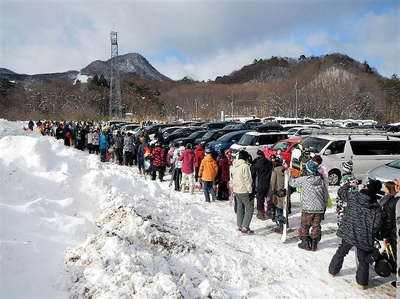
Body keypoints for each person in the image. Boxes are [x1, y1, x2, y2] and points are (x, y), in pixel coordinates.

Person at [328, 179, 383, 289]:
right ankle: (362, 283)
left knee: (341, 251)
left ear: (367, 187)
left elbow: (341, 191)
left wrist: (349, 184)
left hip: (349, 231)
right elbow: (377, 224)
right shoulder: (376, 206)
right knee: (363, 259)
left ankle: (333, 271)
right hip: (364, 236)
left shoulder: (354, 196)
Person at [290, 160, 329, 251]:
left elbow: (292, 183)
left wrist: (289, 173)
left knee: (305, 225)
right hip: (319, 208)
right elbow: (324, 194)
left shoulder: (304, 180)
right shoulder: (320, 180)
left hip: (308, 208)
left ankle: (306, 243)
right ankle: (314, 244)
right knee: (316, 226)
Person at [380, 181, 398, 288]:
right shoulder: (394, 199)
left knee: (397, 254)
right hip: (393, 231)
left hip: (393, 232)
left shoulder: (390, 202)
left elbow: (389, 221)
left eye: (385, 187)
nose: (383, 188)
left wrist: (385, 235)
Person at [231, 150, 254, 234]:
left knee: (240, 208)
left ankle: (239, 225)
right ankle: (245, 227)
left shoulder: (234, 165)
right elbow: (247, 179)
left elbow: (232, 177)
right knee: (249, 208)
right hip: (244, 190)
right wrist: (250, 190)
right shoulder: (245, 166)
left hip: (236, 189)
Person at [251, 150, 273, 220]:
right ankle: (270, 212)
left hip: (260, 184)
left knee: (260, 199)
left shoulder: (257, 164)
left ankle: (260, 214)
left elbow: (252, 173)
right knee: (269, 198)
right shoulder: (269, 163)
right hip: (269, 183)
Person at [268, 156, 286, 233]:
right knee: (284, 209)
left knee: (278, 210)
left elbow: (272, 183)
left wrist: (270, 194)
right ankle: (285, 223)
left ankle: (280, 226)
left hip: (277, 194)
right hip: (285, 194)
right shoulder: (286, 171)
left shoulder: (275, 171)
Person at [336, 161, 356, 228]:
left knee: (342, 223)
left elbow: (341, 195)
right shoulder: (354, 179)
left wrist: (338, 206)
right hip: (353, 205)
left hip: (344, 205)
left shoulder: (344, 181)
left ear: (344, 170)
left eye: (342, 169)